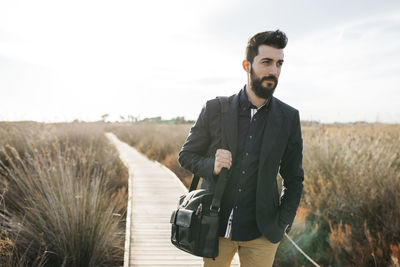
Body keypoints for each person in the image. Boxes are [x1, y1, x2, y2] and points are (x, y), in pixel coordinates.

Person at [178, 30, 304, 267]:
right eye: (266, 62)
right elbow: (186, 156)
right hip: (214, 227)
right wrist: (211, 166)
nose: (274, 71)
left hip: (263, 235)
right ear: (247, 65)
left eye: (279, 64)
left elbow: (294, 178)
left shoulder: (289, 118)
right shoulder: (215, 108)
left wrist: (282, 223)